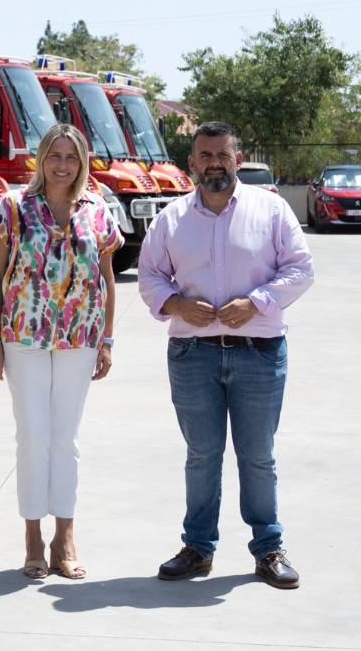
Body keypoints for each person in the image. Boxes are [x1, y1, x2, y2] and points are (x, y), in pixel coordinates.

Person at [138, 121, 313, 590]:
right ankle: (197, 548)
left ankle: (268, 549)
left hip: (258, 354)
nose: (215, 162)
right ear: (192, 163)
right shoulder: (171, 219)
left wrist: (255, 302)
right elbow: (149, 275)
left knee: (258, 457)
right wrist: (174, 303)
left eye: (223, 154)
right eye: (205, 155)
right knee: (201, 455)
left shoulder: (272, 210)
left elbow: (301, 270)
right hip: (192, 355)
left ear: (237, 160)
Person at [0, 123, 122, 580]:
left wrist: (106, 340)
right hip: (24, 338)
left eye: (71, 157)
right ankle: (32, 538)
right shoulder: (13, 209)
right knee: (33, 438)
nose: (62, 165)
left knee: (66, 441)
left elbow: (106, 280)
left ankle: (65, 537)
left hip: (80, 340)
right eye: (54, 156)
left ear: (82, 162)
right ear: (40, 159)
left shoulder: (98, 212)